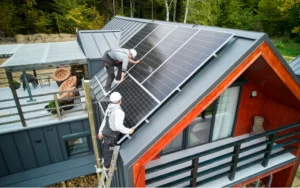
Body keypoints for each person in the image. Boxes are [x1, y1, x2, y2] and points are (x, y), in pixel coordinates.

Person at [98, 92, 134, 169]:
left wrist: (100, 131)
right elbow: (118, 127)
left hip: (105, 132)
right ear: (120, 100)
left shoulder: (109, 107)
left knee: (106, 148)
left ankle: (106, 162)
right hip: (111, 136)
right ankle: (107, 166)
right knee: (110, 150)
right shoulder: (119, 112)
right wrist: (129, 130)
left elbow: (105, 120)